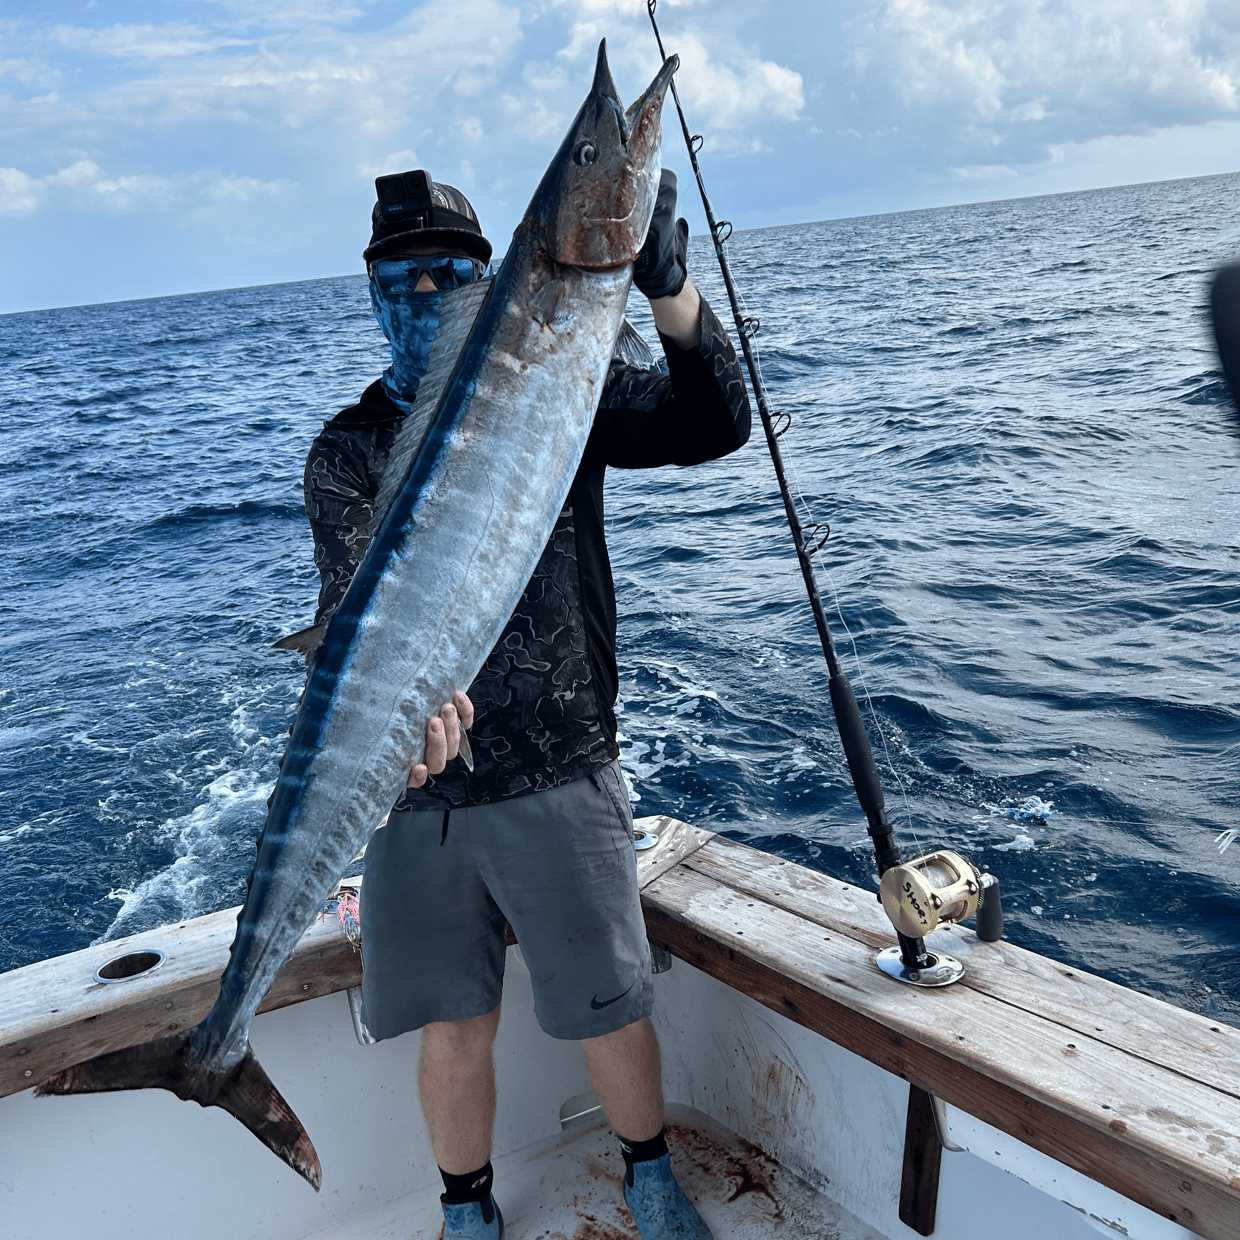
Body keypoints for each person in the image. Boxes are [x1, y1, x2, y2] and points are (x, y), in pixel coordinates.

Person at [301, 168, 751, 1240]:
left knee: (609, 1003)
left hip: (563, 759)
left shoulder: (568, 385)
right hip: (420, 792)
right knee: (450, 1023)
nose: (423, 298)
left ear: (489, 285)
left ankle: (647, 1174)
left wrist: (670, 296)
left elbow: (716, 423)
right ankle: (466, 1209)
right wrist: (400, 739)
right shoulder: (345, 450)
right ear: (371, 292)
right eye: (400, 279)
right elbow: (355, 618)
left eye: (449, 277)